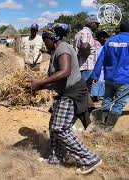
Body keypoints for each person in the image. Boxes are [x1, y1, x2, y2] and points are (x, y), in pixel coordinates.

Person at [29, 23, 102, 175]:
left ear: (53, 38)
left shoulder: (62, 48)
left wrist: (40, 83)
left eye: (45, 39)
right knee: (53, 126)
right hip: (66, 93)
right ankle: (57, 158)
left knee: (60, 128)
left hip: (73, 94)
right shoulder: (56, 51)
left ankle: (89, 159)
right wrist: (38, 87)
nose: (44, 43)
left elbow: (65, 71)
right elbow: (58, 79)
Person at [91, 20, 129, 131]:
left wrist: (95, 76)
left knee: (107, 99)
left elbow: (101, 59)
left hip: (109, 78)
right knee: (119, 102)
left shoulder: (110, 41)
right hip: (124, 79)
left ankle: (101, 124)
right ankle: (108, 128)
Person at [74, 14, 100, 91]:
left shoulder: (80, 32)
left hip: (81, 65)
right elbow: (85, 47)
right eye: (96, 24)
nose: (97, 26)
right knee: (84, 90)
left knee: (81, 89)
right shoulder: (87, 33)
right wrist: (86, 55)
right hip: (86, 66)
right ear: (91, 23)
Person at [91, 31, 110, 99]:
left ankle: (96, 95)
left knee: (99, 80)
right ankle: (99, 95)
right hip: (102, 69)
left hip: (98, 68)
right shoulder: (103, 47)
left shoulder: (99, 47)